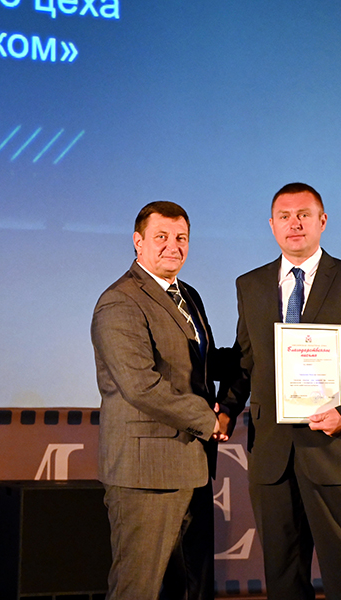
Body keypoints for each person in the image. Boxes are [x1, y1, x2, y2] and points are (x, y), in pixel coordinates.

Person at [219, 183, 341, 600]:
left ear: (322, 221)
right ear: (271, 225)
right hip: (272, 457)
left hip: (333, 450)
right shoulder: (250, 285)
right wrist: (227, 409)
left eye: (304, 215)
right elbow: (247, 360)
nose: (294, 224)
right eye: (284, 216)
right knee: (284, 582)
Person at [91, 200, 233, 600]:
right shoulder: (120, 301)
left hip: (192, 467)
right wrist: (209, 420)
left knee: (191, 589)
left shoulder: (188, 295)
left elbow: (201, 363)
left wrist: (266, 352)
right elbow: (141, 385)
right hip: (145, 474)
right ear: (138, 242)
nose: (174, 246)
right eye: (162, 237)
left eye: (181, 237)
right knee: (138, 589)